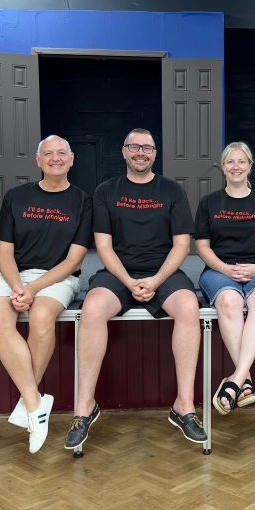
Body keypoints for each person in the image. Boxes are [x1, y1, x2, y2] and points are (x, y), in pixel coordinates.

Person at [64, 128, 207, 449]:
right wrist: (129, 282)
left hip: (163, 272)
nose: (141, 152)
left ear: (155, 154)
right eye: (134, 147)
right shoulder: (106, 191)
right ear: (124, 151)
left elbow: (182, 245)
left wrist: (156, 280)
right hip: (119, 272)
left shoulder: (172, 190)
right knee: (93, 307)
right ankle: (84, 408)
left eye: (147, 148)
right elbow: (103, 245)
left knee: (188, 307)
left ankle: (184, 405)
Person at [0, 135, 92, 453]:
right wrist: (18, 285)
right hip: (13, 275)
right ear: (38, 160)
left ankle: (28, 403)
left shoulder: (82, 201)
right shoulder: (16, 197)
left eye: (61, 153)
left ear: (71, 160)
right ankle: (34, 404)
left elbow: (74, 260)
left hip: (57, 277)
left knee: (42, 315)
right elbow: (4, 252)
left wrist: (33, 289)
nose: (55, 158)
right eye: (48, 153)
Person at [195, 142, 255, 414]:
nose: (236, 167)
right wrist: (224, 269)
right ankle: (244, 380)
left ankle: (236, 380)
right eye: (230, 162)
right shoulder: (209, 202)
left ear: (250, 166)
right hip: (218, 270)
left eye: (241, 161)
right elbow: (202, 246)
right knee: (229, 300)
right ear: (223, 167)